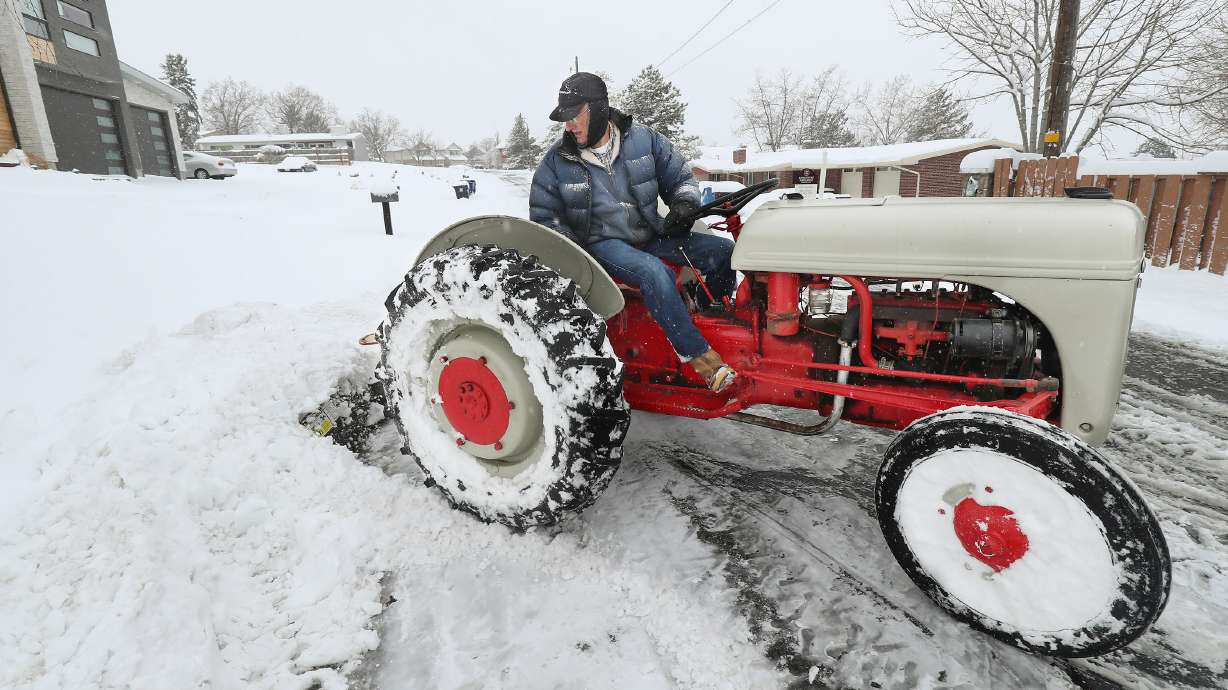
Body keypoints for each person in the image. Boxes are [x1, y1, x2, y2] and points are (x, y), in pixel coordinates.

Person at [530, 72, 737, 393]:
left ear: (598, 109)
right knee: (654, 272)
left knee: (723, 251)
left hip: (649, 233)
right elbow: (544, 217)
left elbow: (681, 177)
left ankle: (708, 311)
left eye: (574, 116)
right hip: (602, 244)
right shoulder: (557, 161)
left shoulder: (644, 140)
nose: (568, 126)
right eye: (565, 119)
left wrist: (684, 202)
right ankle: (705, 362)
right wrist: (574, 252)